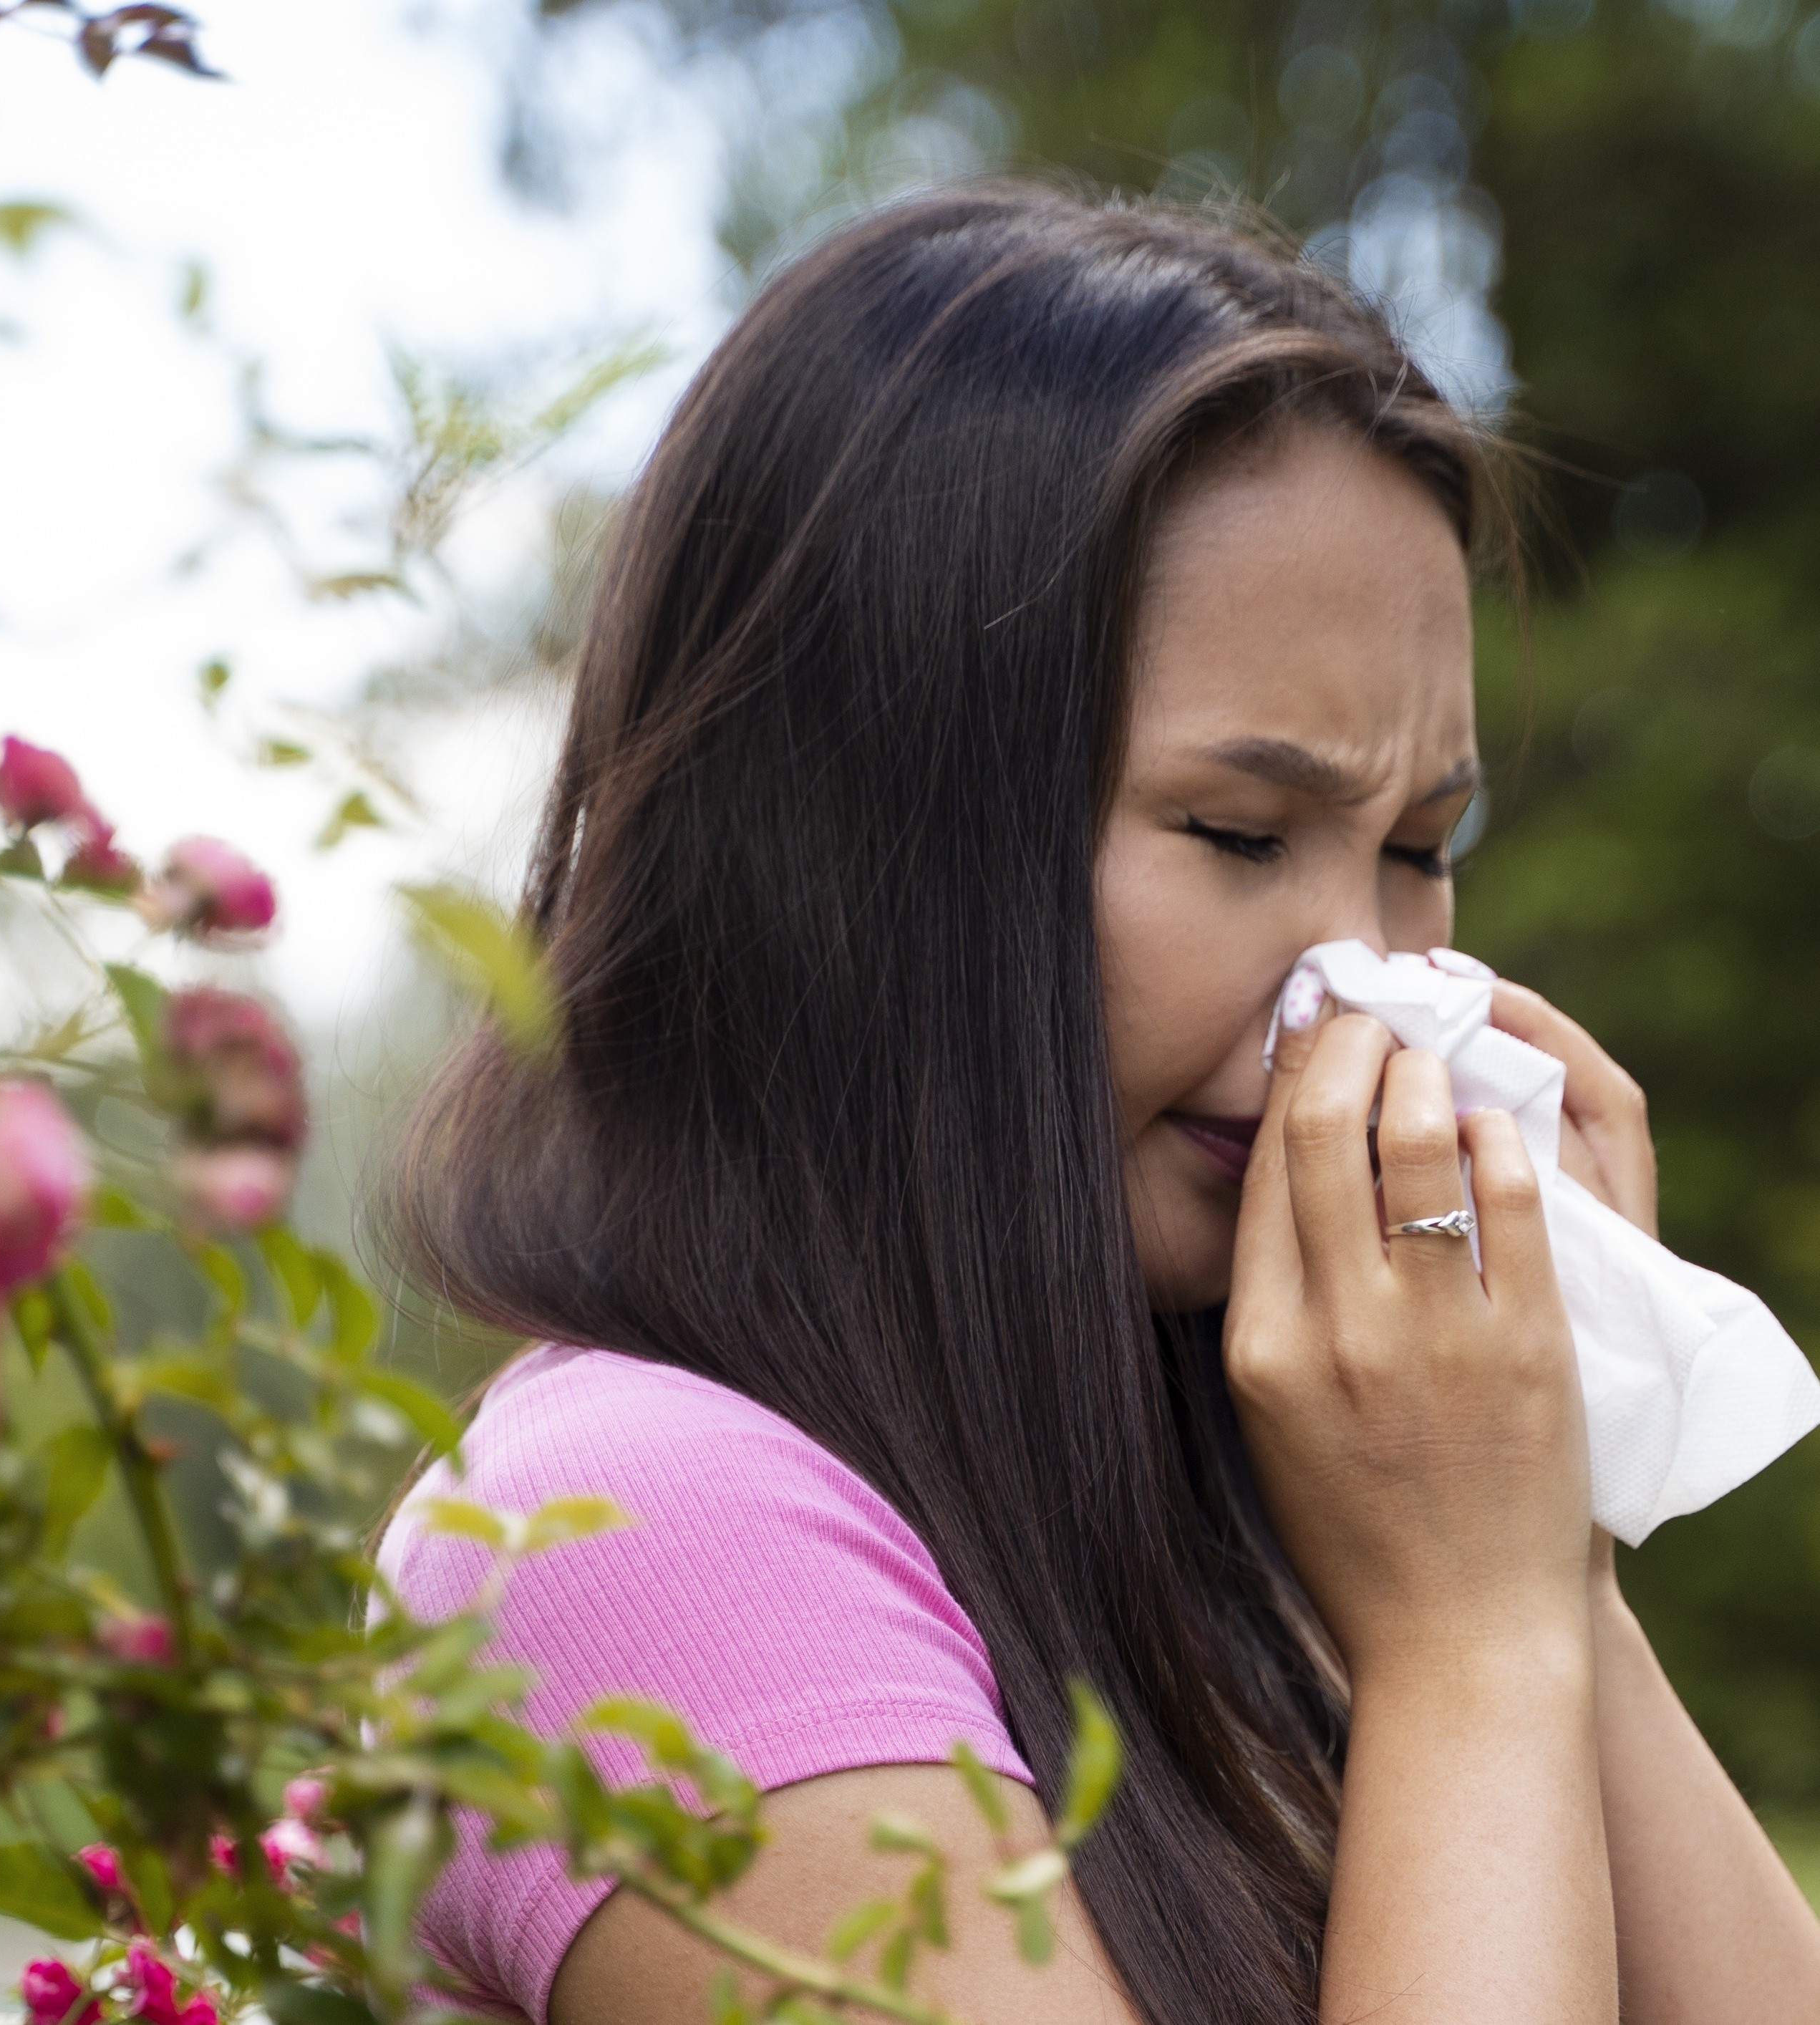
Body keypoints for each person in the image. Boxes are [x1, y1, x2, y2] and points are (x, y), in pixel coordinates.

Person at [374, 185, 1820, 2025]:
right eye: (1238, 833)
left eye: (1418, 851)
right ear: (859, 839)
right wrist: (1472, 1644)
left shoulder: (1245, 1521)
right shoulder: (629, 1536)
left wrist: (1541, 1543)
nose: (1358, 986)